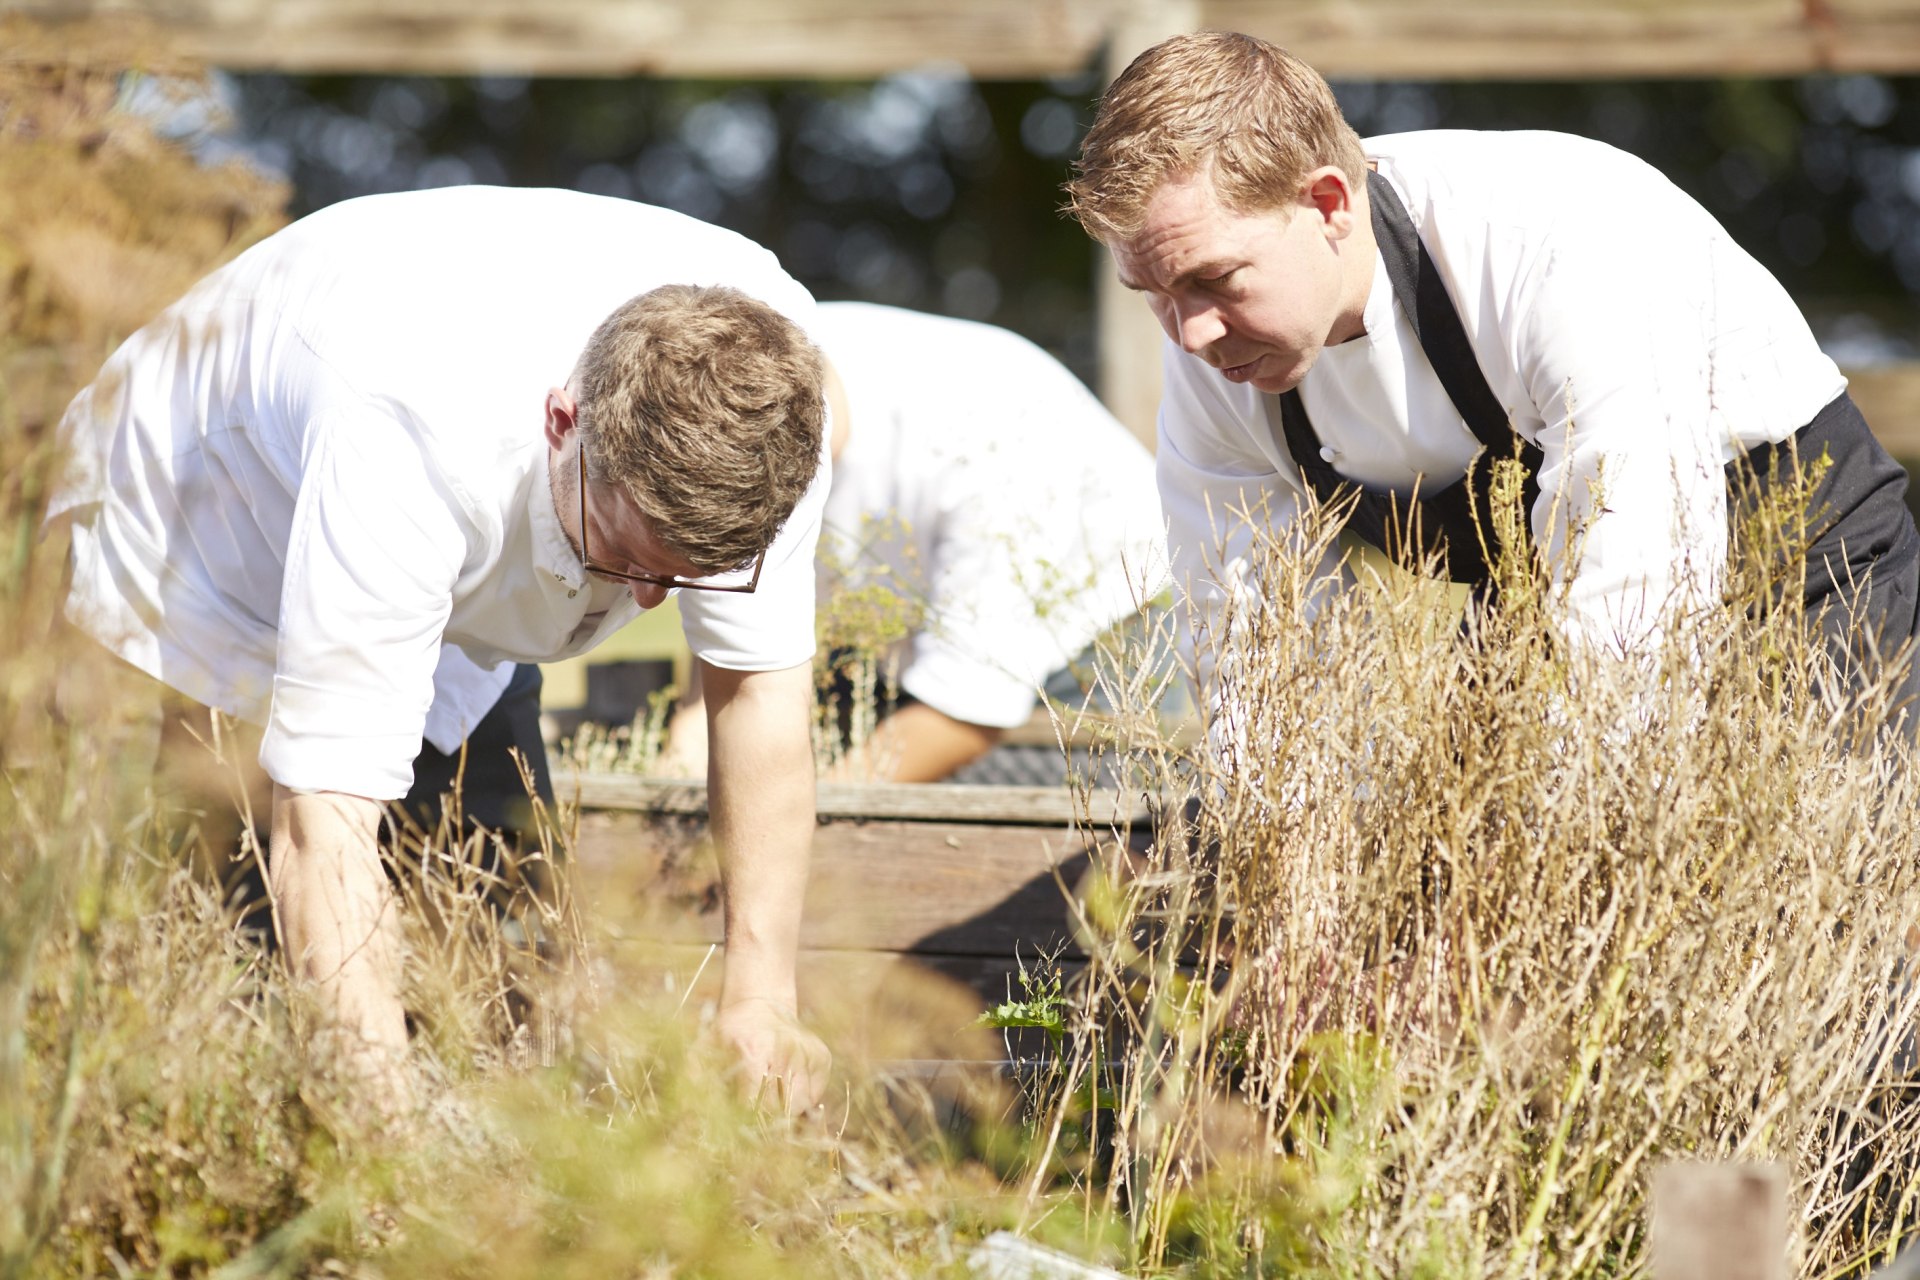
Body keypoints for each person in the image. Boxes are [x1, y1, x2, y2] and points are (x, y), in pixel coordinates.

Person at [45, 185, 834, 1111]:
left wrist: (763, 998)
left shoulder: (771, 416)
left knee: (503, 968)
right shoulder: (409, 424)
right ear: (562, 421)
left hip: (449, 527)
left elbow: (757, 695)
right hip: (204, 525)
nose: (650, 600)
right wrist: (390, 1145)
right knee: (203, 930)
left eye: (690, 572)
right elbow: (325, 825)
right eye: (626, 558)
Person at [1064, 31, 1919, 724]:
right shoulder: (1211, 354)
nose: (1191, 334)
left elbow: (1629, 604)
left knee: (1816, 891)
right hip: (1532, 594)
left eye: (1215, 279)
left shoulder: (1553, 244)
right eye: (1155, 296)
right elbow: (1256, 659)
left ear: (1326, 204)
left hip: (1799, 562)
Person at [662, 302, 1168, 783]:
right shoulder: (735, 374)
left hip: (1095, 641)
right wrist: (678, 771)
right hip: (886, 636)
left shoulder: (991, 439)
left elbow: (968, 705)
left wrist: (781, 826)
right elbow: (729, 644)